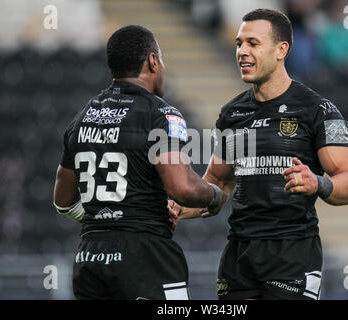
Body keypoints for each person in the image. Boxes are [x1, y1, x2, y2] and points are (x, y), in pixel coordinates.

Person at [169, 9, 348, 300]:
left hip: (292, 257)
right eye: (238, 44)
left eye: (253, 43)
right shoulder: (233, 114)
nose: (242, 52)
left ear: (281, 49)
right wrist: (181, 208)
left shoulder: (317, 110)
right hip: (239, 258)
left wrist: (318, 183)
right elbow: (218, 186)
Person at [53, 25, 225, 300]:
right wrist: (216, 196)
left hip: (90, 257)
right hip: (145, 255)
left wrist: (105, 219)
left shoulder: (83, 116)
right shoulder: (160, 114)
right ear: (153, 61)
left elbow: (62, 201)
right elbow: (183, 189)